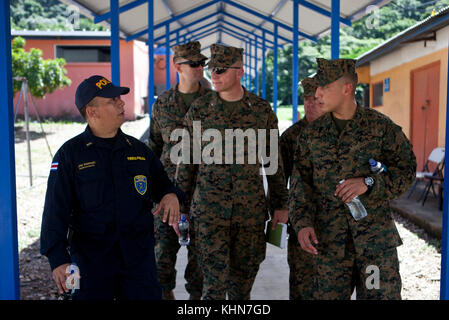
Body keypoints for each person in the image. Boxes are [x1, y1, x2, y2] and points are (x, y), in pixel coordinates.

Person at [40, 75, 183, 300]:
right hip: (91, 263)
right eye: (112, 100)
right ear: (92, 111)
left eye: (119, 99)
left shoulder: (139, 151)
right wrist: (58, 259)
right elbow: (54, 211)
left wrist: (170, 195)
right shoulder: (70, 155)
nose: (122, 104)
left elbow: (164, 185)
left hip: (138, 261)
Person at [288, 58, 416, 300]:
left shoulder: (379, 127)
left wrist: (369, 183)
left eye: (324, 87)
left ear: (347, 88)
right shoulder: (311, 135)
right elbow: (300, 185)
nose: (317, 94)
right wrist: (302, 223)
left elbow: (407, 170)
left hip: (374, 245)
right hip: (329, 246)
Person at [176, 44, 289, 300]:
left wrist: (280, 204)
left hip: (249, 215)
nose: (213, 75)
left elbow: (274, 162)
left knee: (241, 289)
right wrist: (181, 208)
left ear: (239, 71)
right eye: (211, 69)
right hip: (208, 214)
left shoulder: (261, 111)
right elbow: (187, 164)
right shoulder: (199, 110)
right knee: (212, 288)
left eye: (221, 69)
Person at [149, 41, 210, 300]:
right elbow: (153, 148)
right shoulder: (162, 104)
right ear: (177, 67)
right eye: (193, 64)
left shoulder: (213, 103)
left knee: (200, 257)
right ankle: (166, 294)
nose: (199, 68)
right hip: (167, 192)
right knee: (163, 252)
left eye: (201, 64)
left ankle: (195, 300)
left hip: (204, 192)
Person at [280, 76, 323, 300]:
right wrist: (284, 209)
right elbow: (279, 180)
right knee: (302, 283)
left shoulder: (342, 133)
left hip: (336, 225)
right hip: (302, 224)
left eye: (315, 99)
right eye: (306, 99)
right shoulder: (290, 137)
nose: (310, 104)